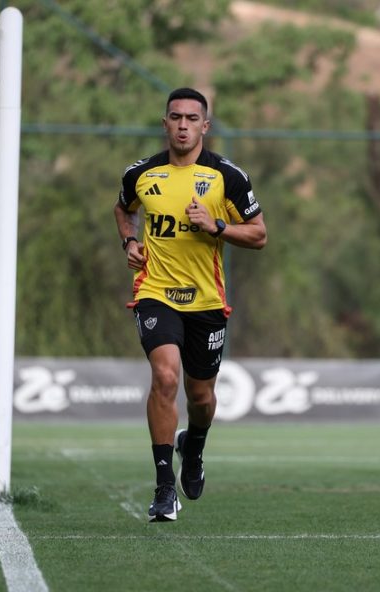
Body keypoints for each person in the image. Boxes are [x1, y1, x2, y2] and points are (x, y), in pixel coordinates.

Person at [113, 87, 267, 522]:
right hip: (155, 292)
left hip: (206, 300)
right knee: (165, 377)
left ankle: (194, 445)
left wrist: (217, 225)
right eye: (175, 117)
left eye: (191, 118)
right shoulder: (140, 174)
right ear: (164, 123)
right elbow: (122, 209)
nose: (183, 125)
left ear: (205, 125)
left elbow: (258, 235)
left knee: (201, 397)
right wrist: (129, 240)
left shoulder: (227, 176)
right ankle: (164, 489)